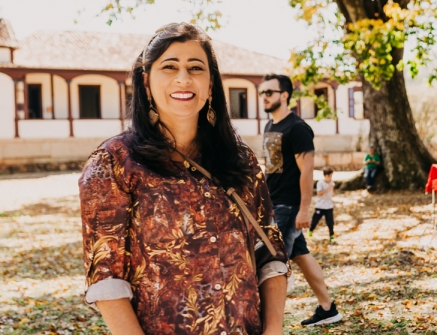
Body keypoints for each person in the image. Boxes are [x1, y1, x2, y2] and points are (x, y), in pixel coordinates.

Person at [78, 23, 289, 335]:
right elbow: (107, 278)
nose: (183, 78)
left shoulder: (241, 159)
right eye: (170, 66)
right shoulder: (113, 163)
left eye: (195, 67)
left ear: (211, 84)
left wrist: (273, 329)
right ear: (146, 81)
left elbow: (270, 249)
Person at [260, 74, 343, 327]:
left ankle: (268, 325)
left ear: (284, 95)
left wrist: (304, 209)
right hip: (274, 203)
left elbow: (307, 170)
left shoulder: (297, 128)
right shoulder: (270, 126)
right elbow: (272, 167)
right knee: (301, 255)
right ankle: (328, 309)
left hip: (289, 205)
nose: (265, 96)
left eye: (270, 92)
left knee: (273, 262)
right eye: (263, 92)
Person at [308, 167, 336, 243]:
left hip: (329, 206)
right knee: (315, 220)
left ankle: (331, 235)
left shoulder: (332, 182)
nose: (330, 177)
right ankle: (310, 231)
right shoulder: (320, 183)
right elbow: (319, 193)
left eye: (331, 176)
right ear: (325, 176)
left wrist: (332, 189)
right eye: (328, 176)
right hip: (320, 206)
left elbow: (332, 194)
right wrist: (328, 188)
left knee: (330, 222)